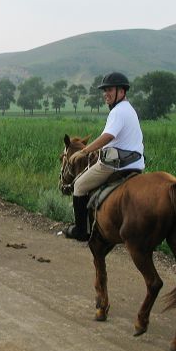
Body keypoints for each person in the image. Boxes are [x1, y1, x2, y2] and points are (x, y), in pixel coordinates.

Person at [64, 72, 144, 241]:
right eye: (104, 90)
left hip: (115, 165)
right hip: (136, 165)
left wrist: (84, 151)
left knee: (79, 185)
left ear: (121, 92)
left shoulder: (117, 112)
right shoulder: (129, 110)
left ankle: (81, 230)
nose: (106, 94)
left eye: (110, 90)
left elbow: (107, 136)